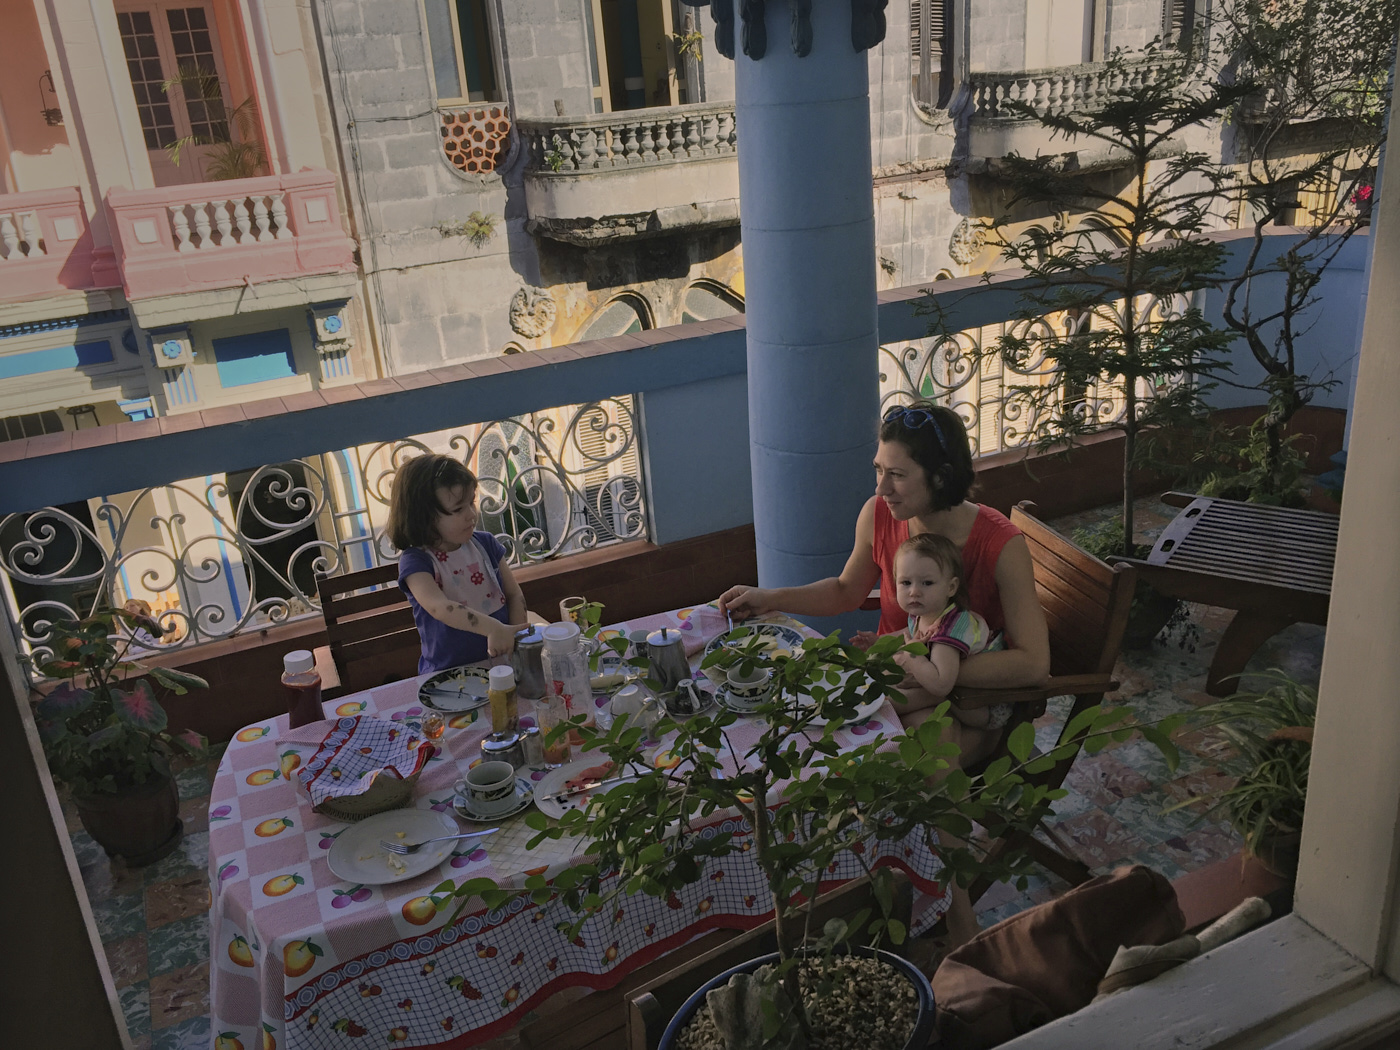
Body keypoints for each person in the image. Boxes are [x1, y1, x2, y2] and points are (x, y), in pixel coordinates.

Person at [718, 399, 1050, 763]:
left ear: (940, 476)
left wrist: (930, 668)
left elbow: (1034, 663)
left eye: (898, 475)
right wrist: (770, 598)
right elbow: (846, 591)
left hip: (973, 704)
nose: (881, 489)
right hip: (901, 687)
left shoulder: (1000, 545)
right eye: (879, 470)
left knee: (919, 741)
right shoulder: (878, 515)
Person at [862, 532, 1014, 740]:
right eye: (906, 582)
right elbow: (909, 633)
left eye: (927, 583)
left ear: (951, 587)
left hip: (983, 705)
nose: (914, 591)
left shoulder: (948, 631)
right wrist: (880, 641)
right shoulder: (925, 612)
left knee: (892, 700)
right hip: (961, 691)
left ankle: (874, 719)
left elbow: (941, 684)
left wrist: (912, 659)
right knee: (883, 677)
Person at [388, 454, 529, 674]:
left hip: (502, 666)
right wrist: (493, 628)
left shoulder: (486, 544)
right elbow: (439, 607)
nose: (471, 515)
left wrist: (514, 636)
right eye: (458, 509)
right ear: (422, 516)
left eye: (471, 502)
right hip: (448, 676)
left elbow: (514, 595)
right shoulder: (416, 562)